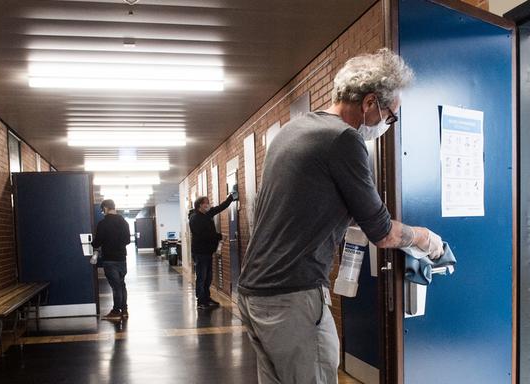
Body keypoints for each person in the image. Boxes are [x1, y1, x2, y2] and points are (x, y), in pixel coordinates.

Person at [237, 48, 445, 384]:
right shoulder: (344, 140)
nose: (387, 126)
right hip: (292, 296)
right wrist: (427, 239)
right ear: (369, 103)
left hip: (253, 293)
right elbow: (383, 233)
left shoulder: (292, 131)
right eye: (390, 117)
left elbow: (304, 206)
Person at [188, 193, 235, 309]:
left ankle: (207, 298)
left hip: (207, 252)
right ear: (200, 205)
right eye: (207, 203)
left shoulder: (206, 214)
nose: (209, 205)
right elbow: (203, 235)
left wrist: (231, 197)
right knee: (201, 277)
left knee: (208, 277)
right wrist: (219, 236)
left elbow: (219, 208)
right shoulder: (195, 218)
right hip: (200, 252)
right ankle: (201, 301)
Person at [91, 199, 133, 320]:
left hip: (109, 260)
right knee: (121, 284)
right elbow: (127, 240)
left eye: (102, 210)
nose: (102, 213)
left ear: (105, 208)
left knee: (116, 286)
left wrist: (93, 242)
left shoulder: (103, 224)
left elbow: (97, 242)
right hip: (122, 259)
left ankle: (116, 311)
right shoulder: (124, 222)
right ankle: (124, 310)